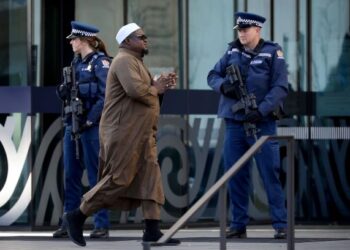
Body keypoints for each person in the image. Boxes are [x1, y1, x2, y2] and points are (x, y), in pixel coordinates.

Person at [62, 23, 180, 247]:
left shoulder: (136, 62)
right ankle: (77, 215)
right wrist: (157, 88)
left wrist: (158, 85)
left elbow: (146, 93)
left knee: (150, 179)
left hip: (142, 133)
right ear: (127, 42)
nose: (145, 40)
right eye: (140, 36)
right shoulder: (124, 60)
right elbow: (135, 91)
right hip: (124, 133)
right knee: (118, 179)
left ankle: (152, 230)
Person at [207, 12, 289, 239]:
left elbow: (280, 88)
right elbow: (212, 75)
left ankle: (281, 224)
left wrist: (260, 110)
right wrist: (224, 86)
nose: (241, 34)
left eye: (245, 30)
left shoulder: (273, 52)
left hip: (262, 124)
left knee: (269, 174)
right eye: (239, 30)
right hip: (234, 124)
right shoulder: (232, 51)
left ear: (257, 30)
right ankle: (238, 224)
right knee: (236, 174)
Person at [54, 21, 110, 239]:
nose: (71, 43)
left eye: (73, 39)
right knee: (71, 176)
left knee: (96, 177)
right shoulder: (75, 64)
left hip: (91, 127)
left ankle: (101, 224)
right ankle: (69, 221)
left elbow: (106, 97)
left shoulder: (100, 63)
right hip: (72, 125)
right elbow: (65, 94)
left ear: (85, 40)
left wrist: (90, 119)